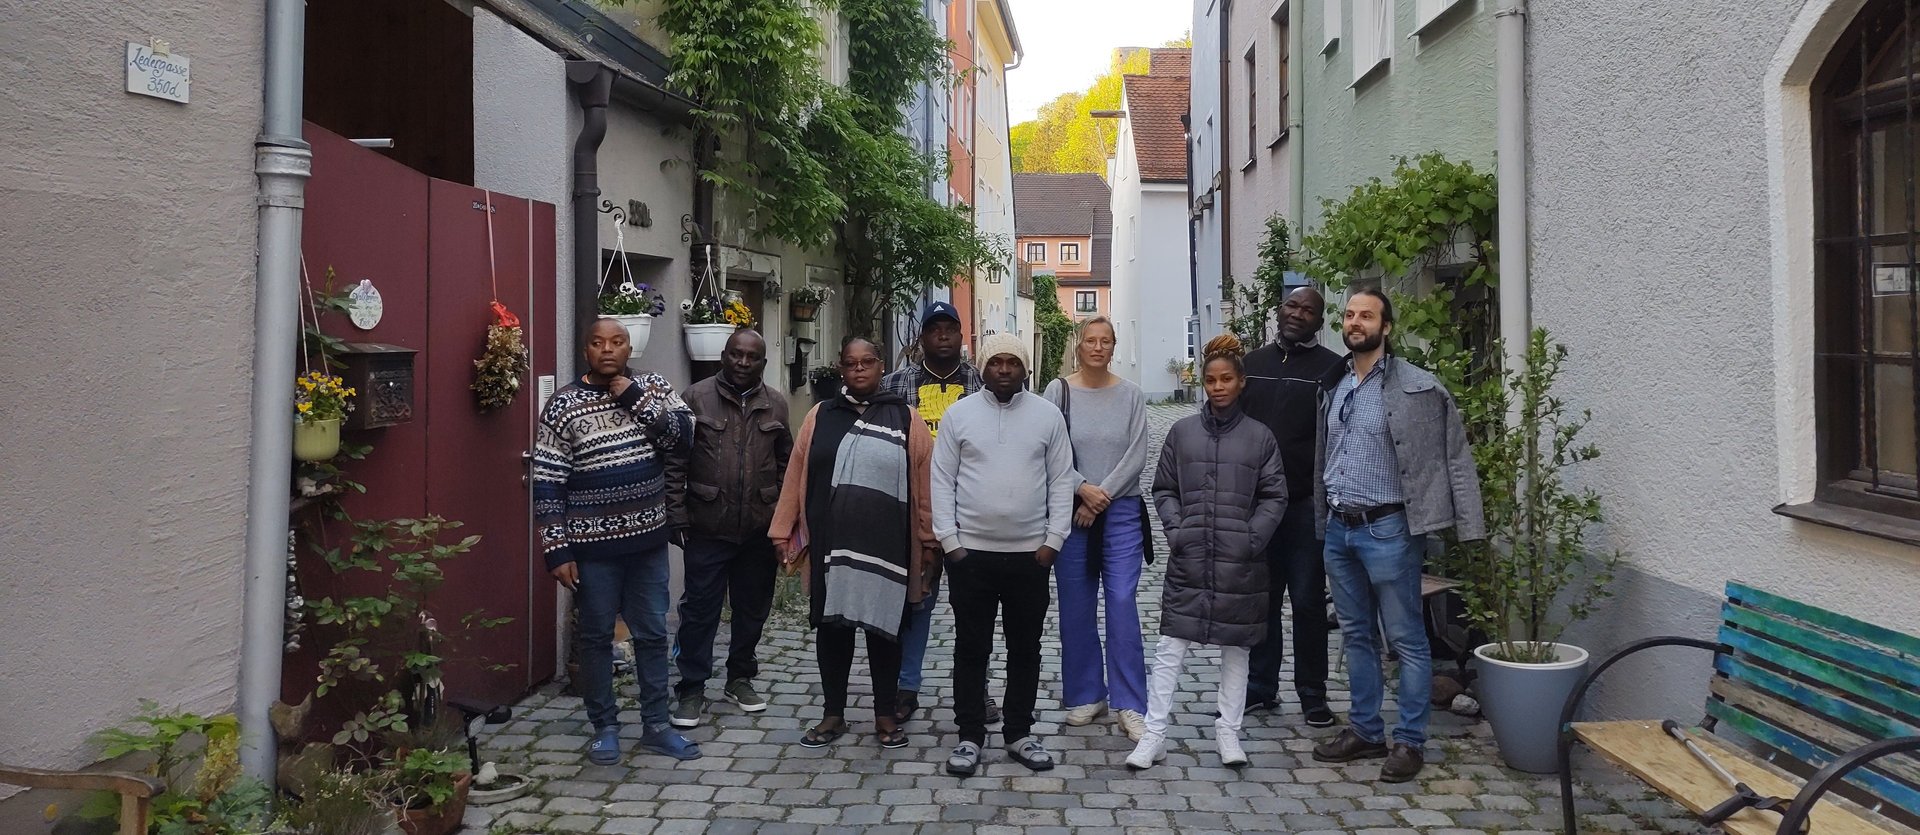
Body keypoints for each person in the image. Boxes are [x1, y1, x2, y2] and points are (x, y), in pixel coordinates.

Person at [1311, 288, 1485, 783]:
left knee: (1406, 640)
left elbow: (1453, 456)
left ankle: (1410, 742)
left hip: (1390, 528)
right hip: (1341, 529)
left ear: (1386, 327)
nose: (1355, 322)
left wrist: (1468, 527)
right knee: (1357, 635)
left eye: (1366, 315)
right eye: (1348, 315)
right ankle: (1366, 731)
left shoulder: (1420, 388)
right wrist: (1322, 525)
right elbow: (1323, 459)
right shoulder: (1334, 384)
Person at [534, 318, 701, 763]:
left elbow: (683, 438)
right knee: (595, 639)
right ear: (585, 349)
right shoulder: (562, 405)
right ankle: (604, 727)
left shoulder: (654, 386)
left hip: (647, 542)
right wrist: (557, 549)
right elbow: (547, 481)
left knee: (651, 634)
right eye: (597, 343)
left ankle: (656, 726)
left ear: (630, 347)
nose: (607, 350)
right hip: (592, 550)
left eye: (617, 341)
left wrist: (631, 397)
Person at [768, 337, 938, 750]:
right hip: (831, 546)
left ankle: (884, 715)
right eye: (850, 363)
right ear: (841, 368)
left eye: (867, 362)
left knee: (886, 632)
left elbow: (925, 487)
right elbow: (797, 473)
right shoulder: (820, 416)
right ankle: (833, 714)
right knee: (832, 629)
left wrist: (929, 543)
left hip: (889, 548)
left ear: (881, 367)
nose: (858, 369)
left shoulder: (907, 420)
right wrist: (782, 530)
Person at [1128, 334, 1288, 770]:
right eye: (1211, 380)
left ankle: (1228, 732)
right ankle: (1154, 733)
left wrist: (1252, 538)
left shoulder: (1260, 437)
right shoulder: (1182, 433)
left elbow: (1275, 495)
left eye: (1226, 379)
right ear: (1203, 384)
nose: (1218, 387)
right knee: (1170, 647)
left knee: (1237, 650)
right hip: (1191, 556)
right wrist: (1177, 530)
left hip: (1241, 562)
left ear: (1240, 383)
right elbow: (1164, 487)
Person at [931, 332, 1075, 776]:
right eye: (997, 363)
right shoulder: (959, 416)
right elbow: (941, 480)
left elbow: (1062, 480)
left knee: (1025, 648)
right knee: (971, 647)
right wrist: (950, 543)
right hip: (970, 554)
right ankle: (970, 735)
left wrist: (1053, 541)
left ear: (1026, 369)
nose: (1005, 370)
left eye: (1014, 363)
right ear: (984, 368)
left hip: (1029, 556)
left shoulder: (1048, 417)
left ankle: (1019, 733)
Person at [665, 329, 792, 728]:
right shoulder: (695, 398)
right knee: (700, 610)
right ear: (723, 356)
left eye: (751, 357)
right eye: (735, 355)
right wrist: (677, 515)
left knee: (752, 608)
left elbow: (788, 463)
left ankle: (739, 678)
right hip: (708, 525)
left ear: (762, 363)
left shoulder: (776, 404)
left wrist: (783, 521)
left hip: (758, 526)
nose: (742, 363)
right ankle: (691, 687)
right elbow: (674, 462)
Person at [881, 300, 997, 726]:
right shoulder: (894, 386)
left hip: (971, 514)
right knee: (915, 604)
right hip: (913, 513)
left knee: (975, 610)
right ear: (922, 337)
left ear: (960, 335)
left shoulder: (984, 385)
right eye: (935, 329)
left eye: (951, 328)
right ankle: (905, 687)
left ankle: (976, 690)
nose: (943, 335)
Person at [1041, 316, 1152, 741]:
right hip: (1072, 511)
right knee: (1075, 605)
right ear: (1079, 344)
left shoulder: (1131, 395)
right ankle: (1087, 694)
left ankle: (1130, 703)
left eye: (1106, 341)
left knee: (1122, 601)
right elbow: (1051, 451)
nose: (1098, 347)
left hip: (1120, 510)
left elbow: (1137, 454)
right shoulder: (1059, 391)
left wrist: (1100, 494)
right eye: (1091, 340)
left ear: (1114, 346)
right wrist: (1082, 490)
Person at [1239, 286, 1345, 727]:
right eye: (1292, 305)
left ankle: (1312, 693)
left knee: (1306, 603)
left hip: (1304, 505)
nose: (1297, 314)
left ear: (1320, 322)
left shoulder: (1332, 370)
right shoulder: (1252, 366)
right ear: (1279, 311)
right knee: (1261, 601)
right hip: (1256, 505)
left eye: (1308, 310)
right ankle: (1261, 688)